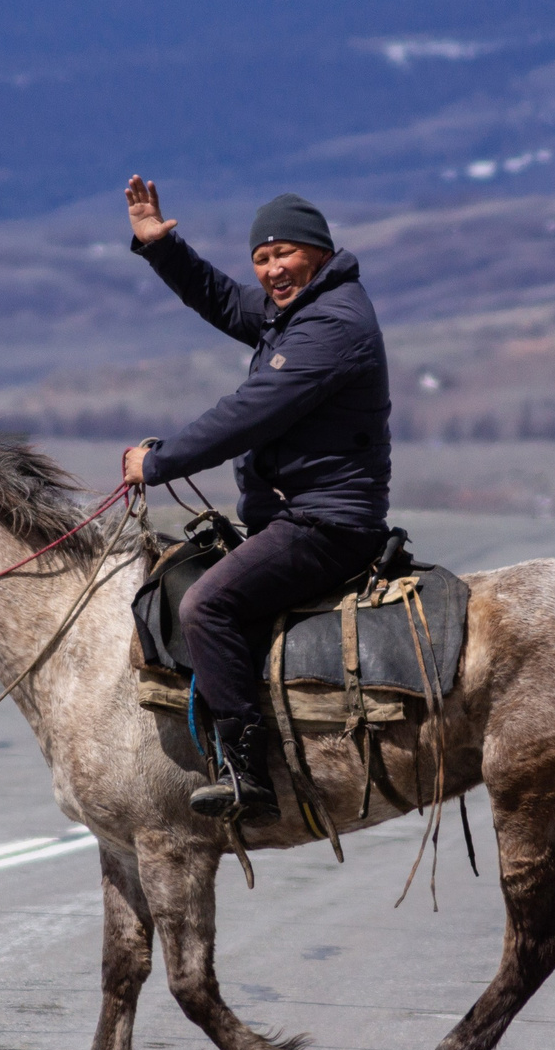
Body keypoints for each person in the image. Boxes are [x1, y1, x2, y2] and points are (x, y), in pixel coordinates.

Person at [119, 176, 392, 822]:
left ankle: (247, 771)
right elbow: (221, 299)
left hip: (325, 523)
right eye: (262, 259)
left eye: (285, 253)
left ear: (319, 253)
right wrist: (160, 245)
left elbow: (248, 413)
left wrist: (157, 463)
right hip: (294, 516)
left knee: (208, 603)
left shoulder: (333, 324)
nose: (272, 270)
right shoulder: (298, 310)